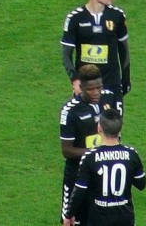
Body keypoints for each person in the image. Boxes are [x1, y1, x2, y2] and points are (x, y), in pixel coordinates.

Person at [62, 109, 146, 226]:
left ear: (99, 128)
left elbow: (80, 190)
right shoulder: (131, 154)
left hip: (99, 219)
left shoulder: (90, 157)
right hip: (125, 218)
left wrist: (69, 215)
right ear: (120, 129)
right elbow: (141, 184)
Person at [60, 0, 130, 115]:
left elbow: (124, 50)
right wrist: (75, 80)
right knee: (87, 126)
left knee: (113, 126)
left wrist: (126, 79)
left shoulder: (117, 15)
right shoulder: (75, 18)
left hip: (111, 83)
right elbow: (66, 53)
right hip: (87, 84)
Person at [59, 65, 105, 226]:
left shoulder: (107, 101)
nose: (96, 92)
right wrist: (95, 152)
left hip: (100, 174)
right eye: (91, 89)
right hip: (76, 176)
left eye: (99, 87)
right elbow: (67, 150)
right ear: (81, 87)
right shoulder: (70, 111)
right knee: (71, 222)